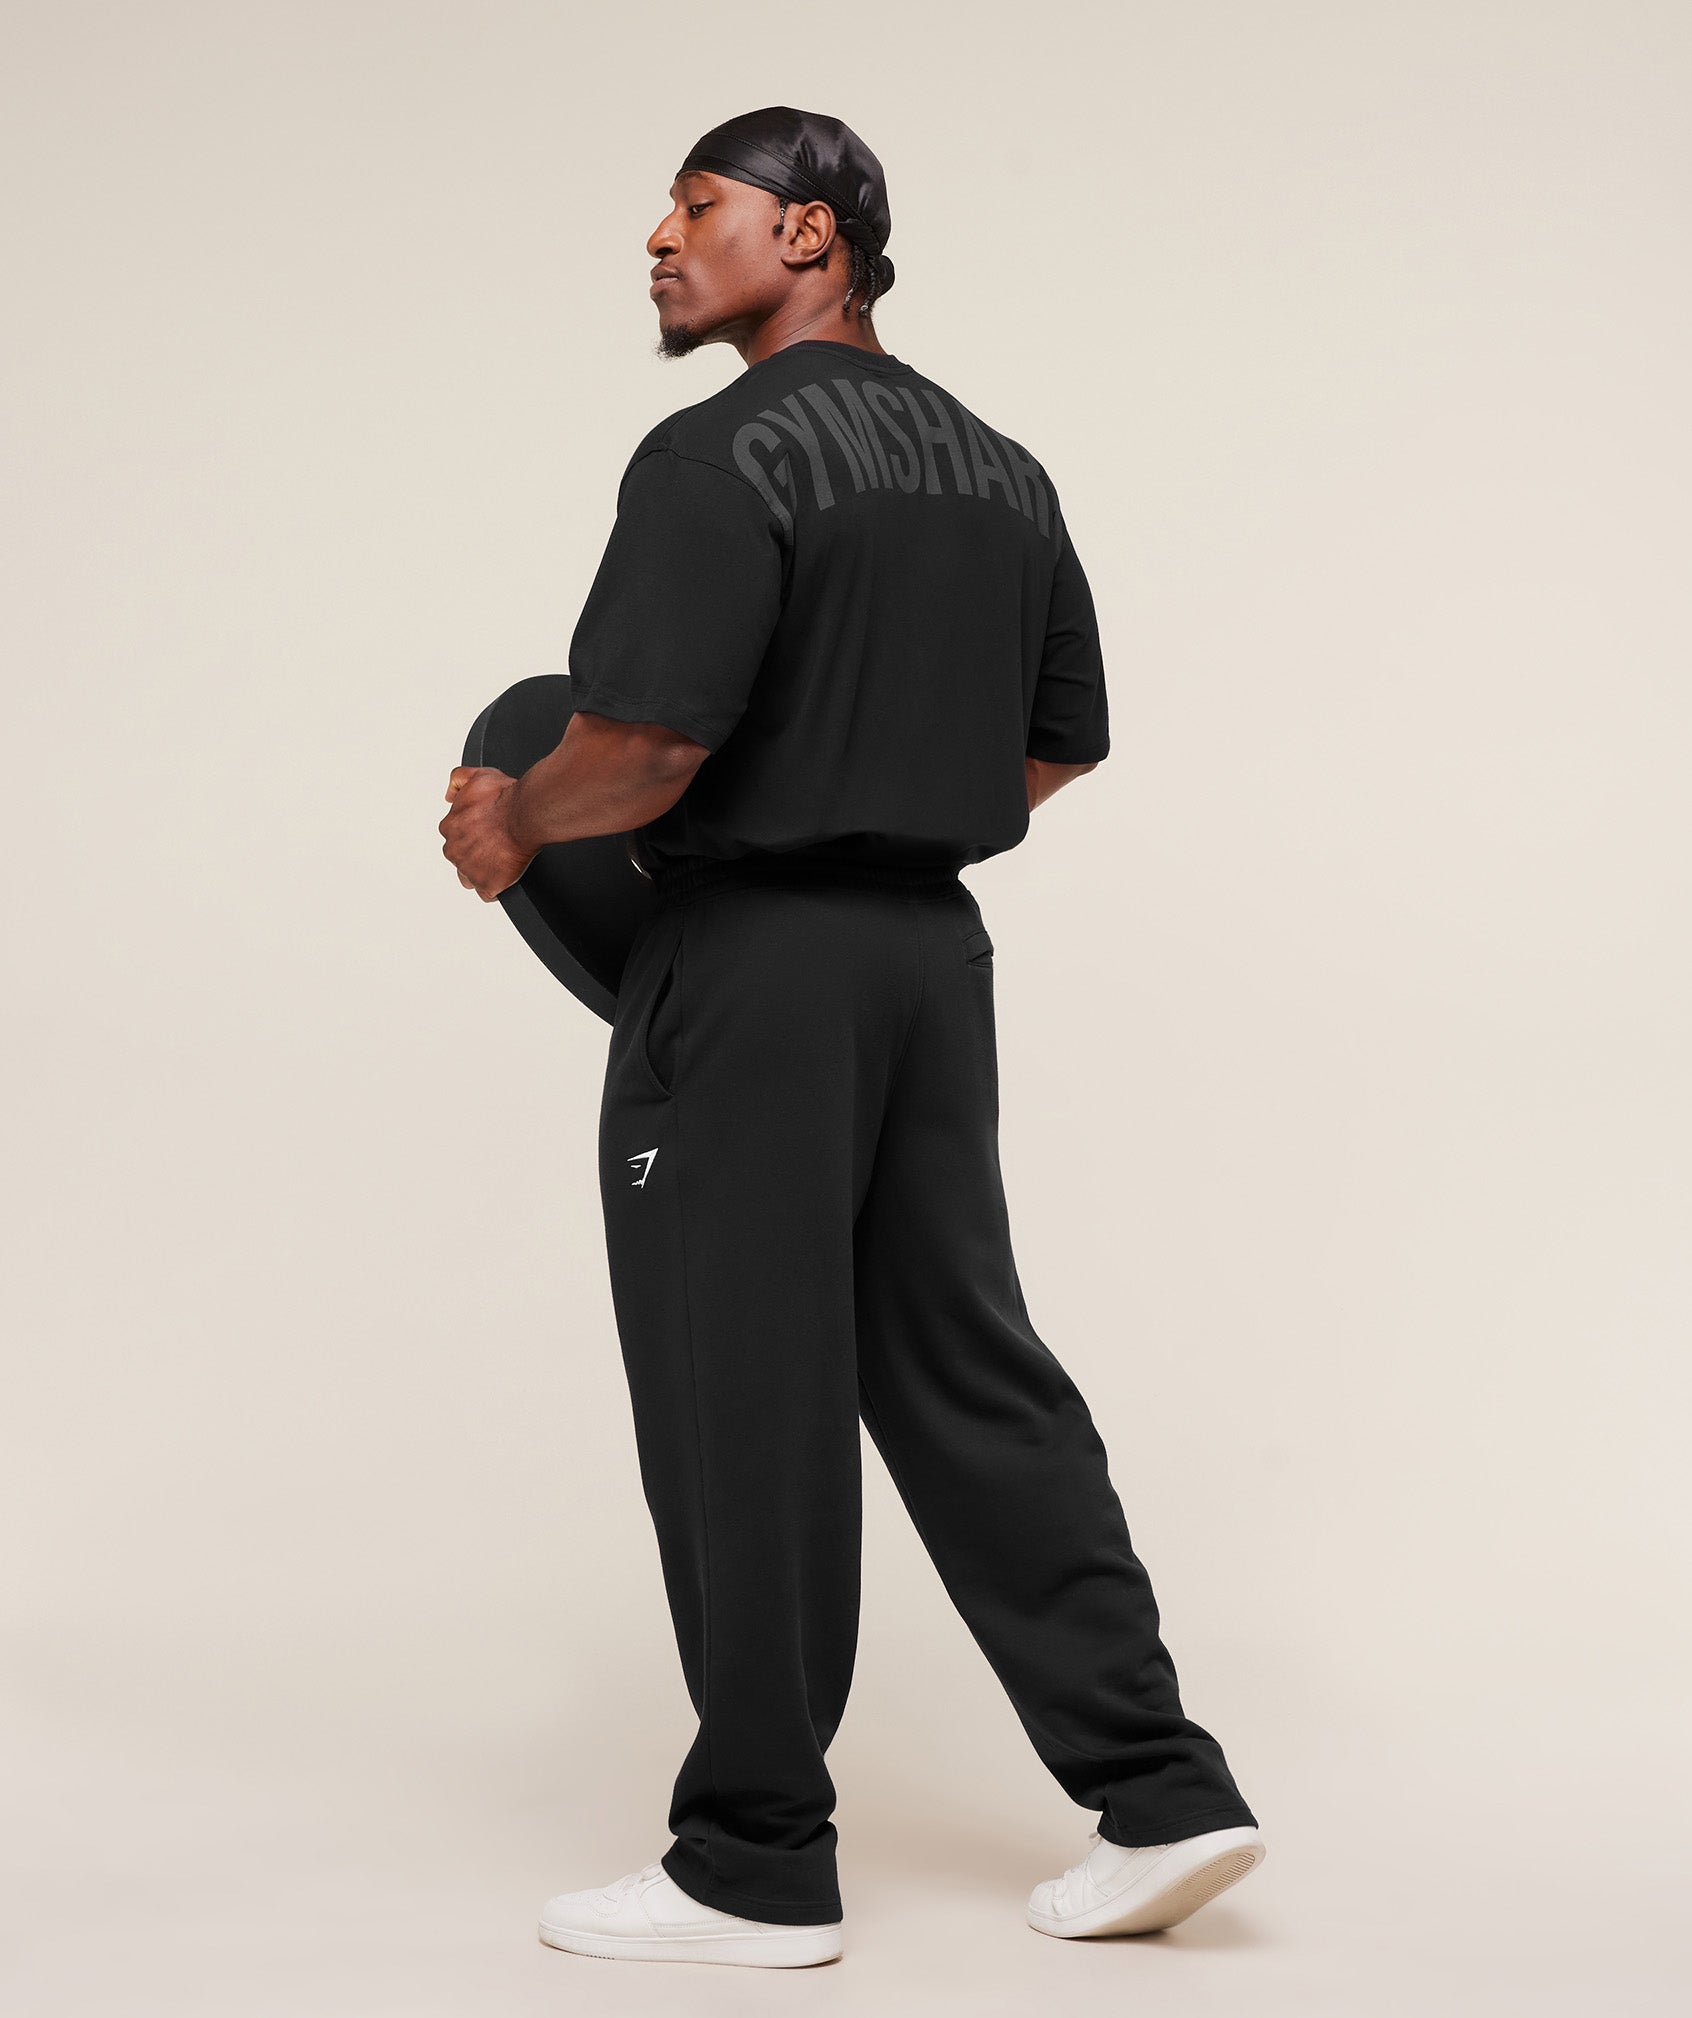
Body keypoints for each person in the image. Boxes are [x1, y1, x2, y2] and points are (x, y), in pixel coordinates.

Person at [438, 105, 1265, 1971]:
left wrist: (515, 820)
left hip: (754, 966)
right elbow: (1053, 746)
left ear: (810, 233)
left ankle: (752, 1860)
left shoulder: (715, 453)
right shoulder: (1004, 471)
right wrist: (888, 794)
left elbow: (640, 745)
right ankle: (1162, 1789)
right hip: (930, 961)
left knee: (744, 1384)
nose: (661, 240)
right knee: (970, 1368)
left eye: (697, 205)